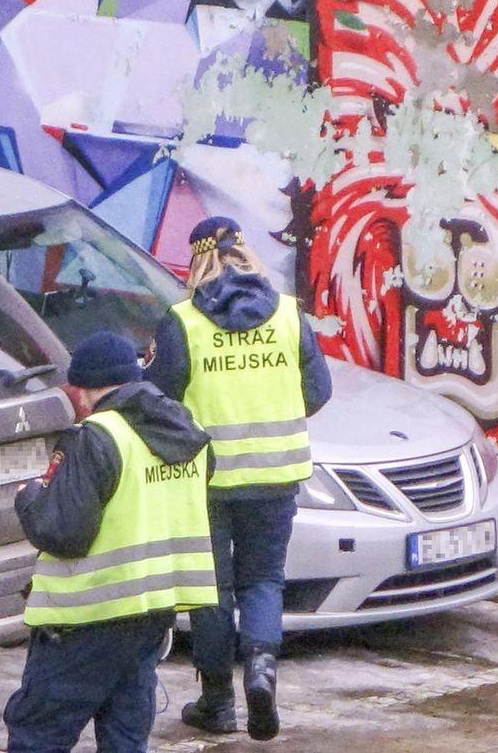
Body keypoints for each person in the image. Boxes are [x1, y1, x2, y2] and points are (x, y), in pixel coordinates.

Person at [144, 216, 331, 741]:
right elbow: (317, 392)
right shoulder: (291, 316)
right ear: (244, 253)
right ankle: (262, 671)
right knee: (263, 580)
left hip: (204, 478)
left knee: (212, 589)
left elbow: (156, 401)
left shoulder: (182, 322)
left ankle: (218, 703)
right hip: (276, 476)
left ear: (199, 259)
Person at [4, 330, 218, 753]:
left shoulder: (96, 436)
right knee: (125, 733)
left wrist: (29, 499)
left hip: (87, 616)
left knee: (38, 731)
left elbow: (64, 532)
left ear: (84, 389)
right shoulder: (188, 428)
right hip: (152, 611)